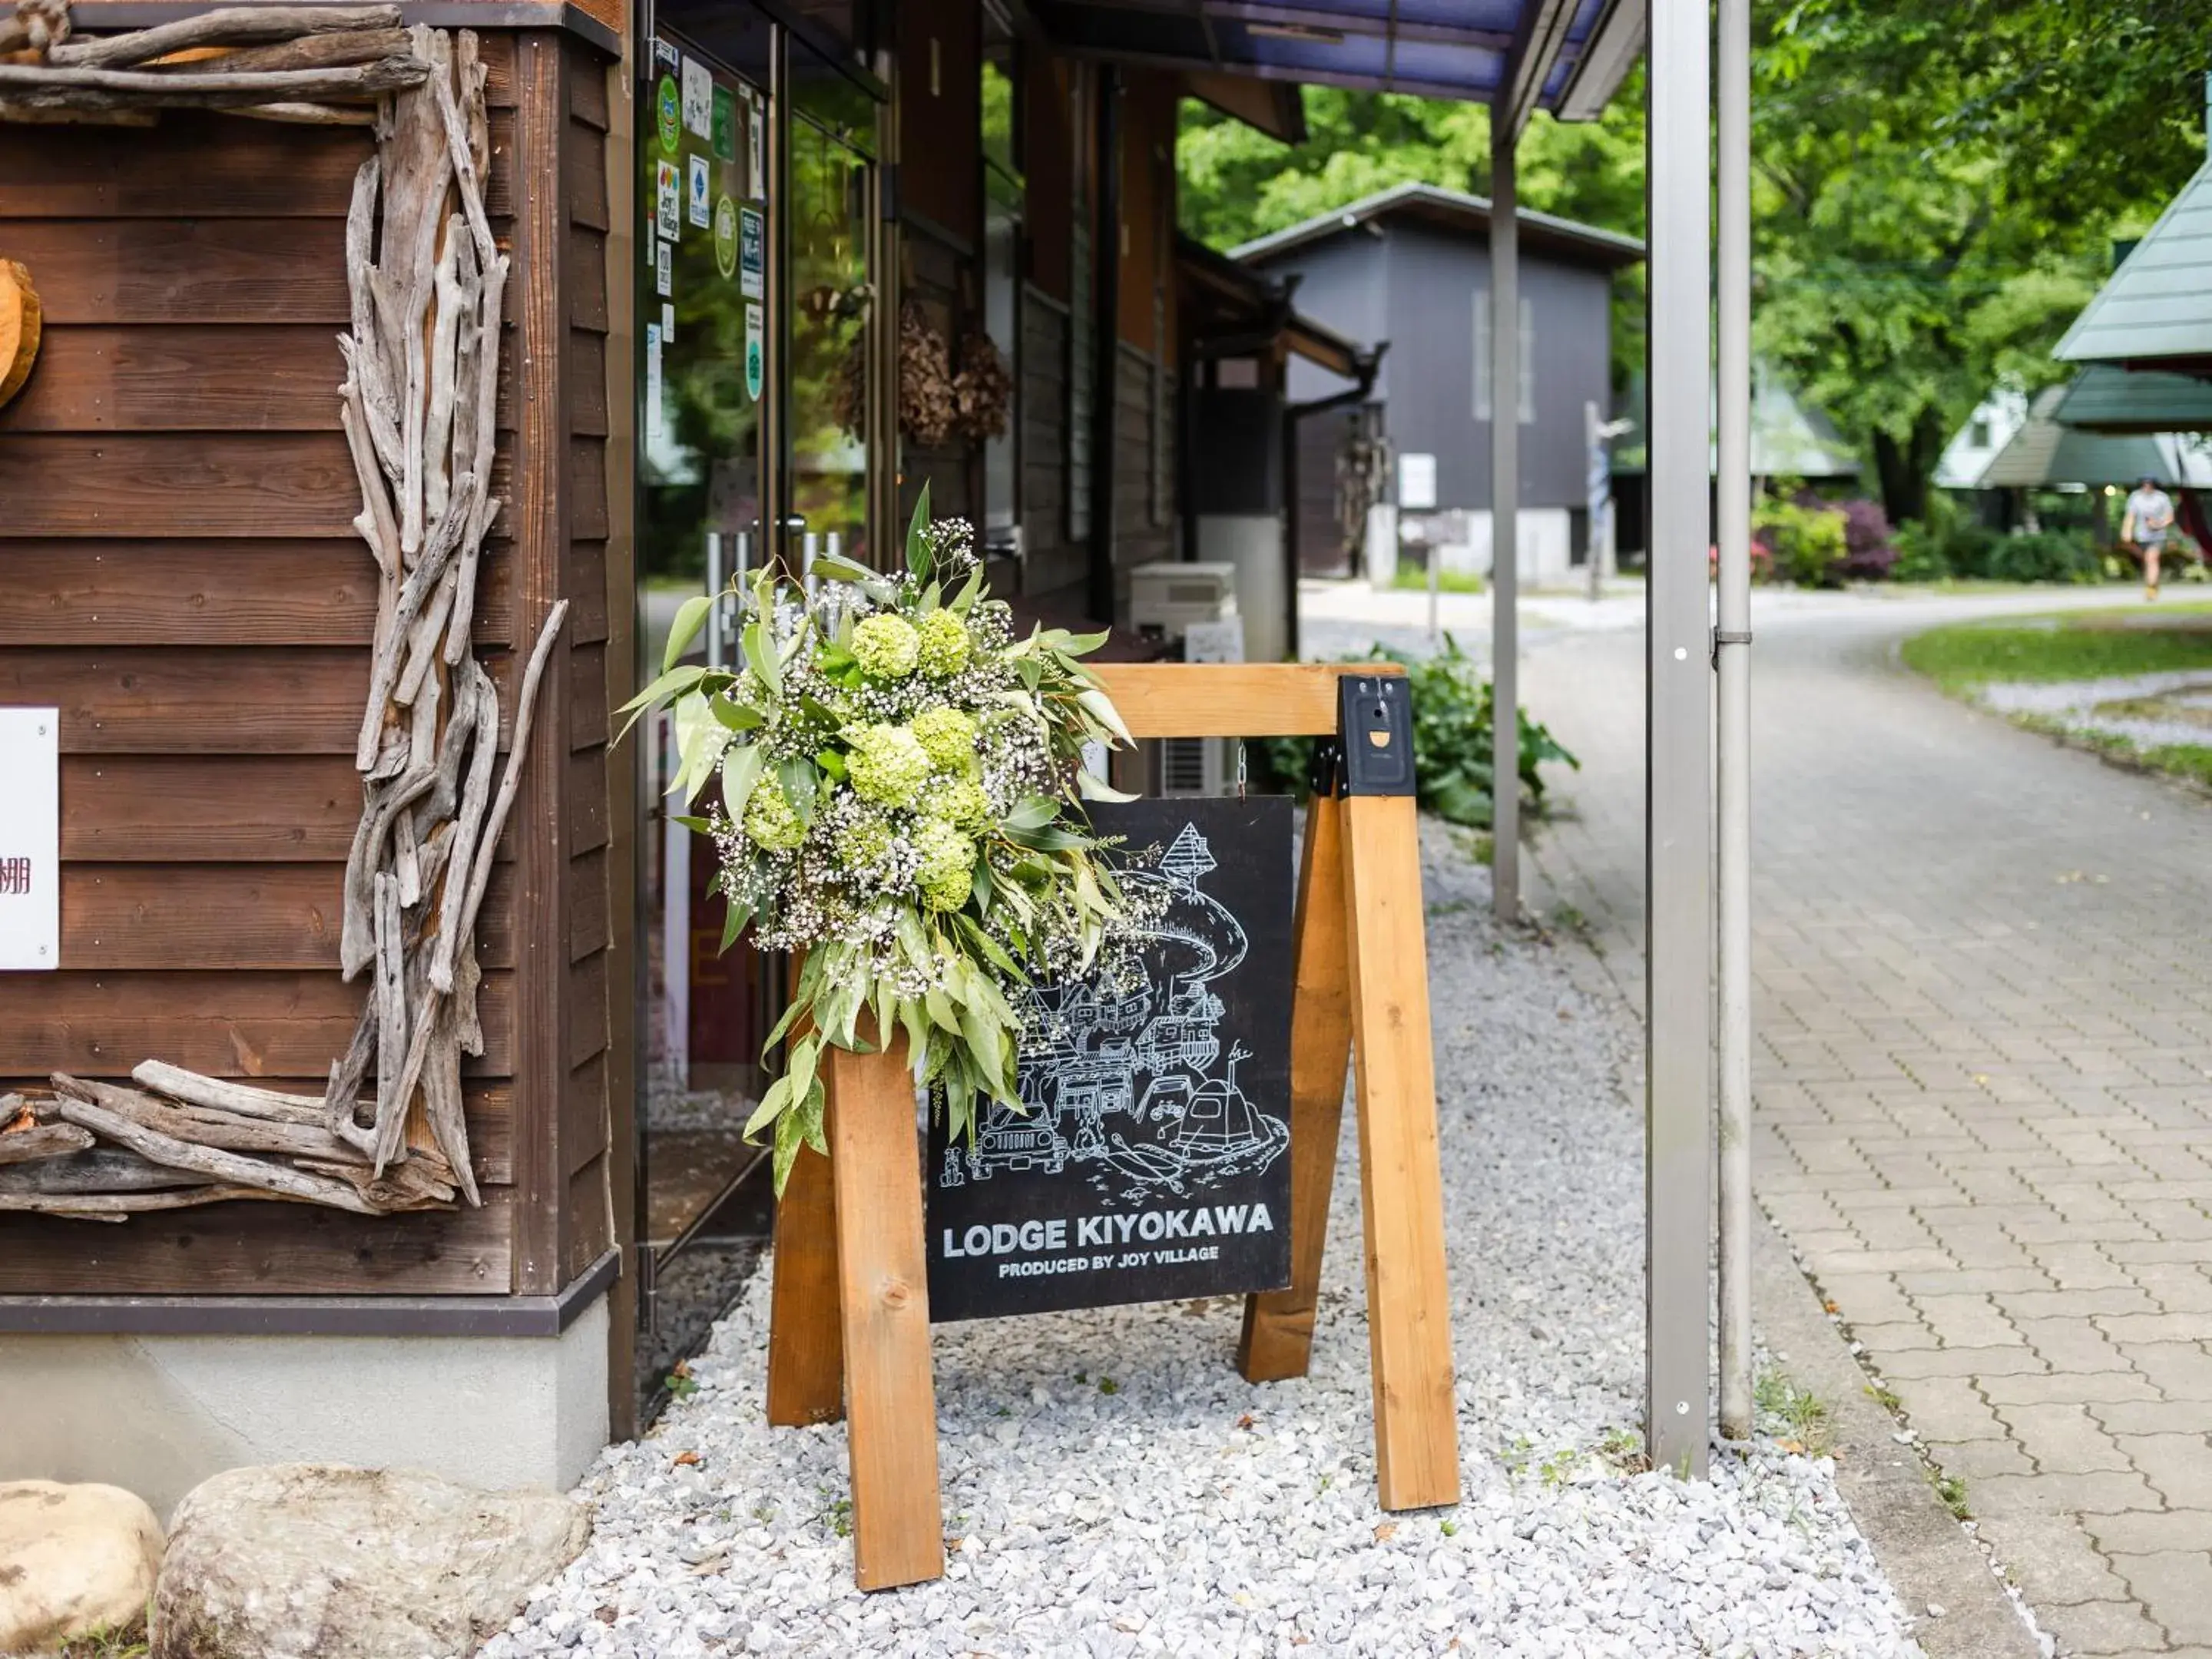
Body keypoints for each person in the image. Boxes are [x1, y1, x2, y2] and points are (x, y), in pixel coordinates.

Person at [2122, 474, 2176, 601]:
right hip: (2141, 536)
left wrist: (2159, 525)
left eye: (2149, 484)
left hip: (2157, 536)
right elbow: (2130, 516)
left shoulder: (2162, 498)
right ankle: (2153, 585)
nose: (2147, 487)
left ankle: (2150, 589)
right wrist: (2126, 531)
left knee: (2152, 559)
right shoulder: (2135, 497)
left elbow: (2170, 518)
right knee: (2147, 562)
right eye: (2144, 484)